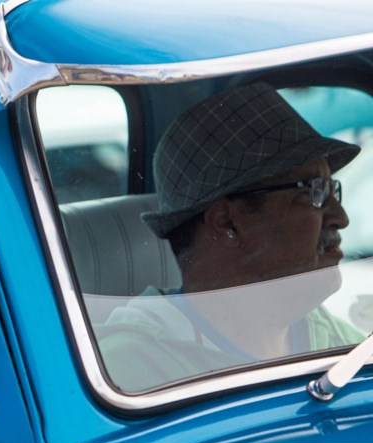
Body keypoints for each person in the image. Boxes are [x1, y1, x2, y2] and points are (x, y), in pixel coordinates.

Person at [97, 82, 365, 392]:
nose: (340, 218)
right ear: (226, 220)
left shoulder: (326, 336)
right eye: (313, 193)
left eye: (331, 189)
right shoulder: (129, 374)